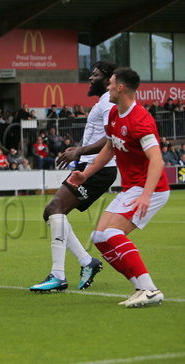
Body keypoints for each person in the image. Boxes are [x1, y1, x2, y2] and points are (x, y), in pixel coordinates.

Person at [68, 67, 170, 307]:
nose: (108, 87)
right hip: (133, 187)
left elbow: (157, 160)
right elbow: (110, 148)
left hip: (151, 189)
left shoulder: (141, 120)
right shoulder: (114, 114)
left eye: (111, 83)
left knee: (112, 233)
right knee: (99, 237)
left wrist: (145, 196)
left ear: (120, 87)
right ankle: (139, 287)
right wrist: (85, 174)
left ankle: (150, 289)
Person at [30, 61, 119, 293]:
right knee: (51, 212)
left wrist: (79, 151)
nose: (90, 78)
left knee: (55, 208)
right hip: (89, 167)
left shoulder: (109, 102)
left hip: (99, 169)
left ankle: (58, 275)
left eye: (95, 75)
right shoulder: (102, 102)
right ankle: (87, 262)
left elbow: (112, 137)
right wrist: (78, 155)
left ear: (108, 80)